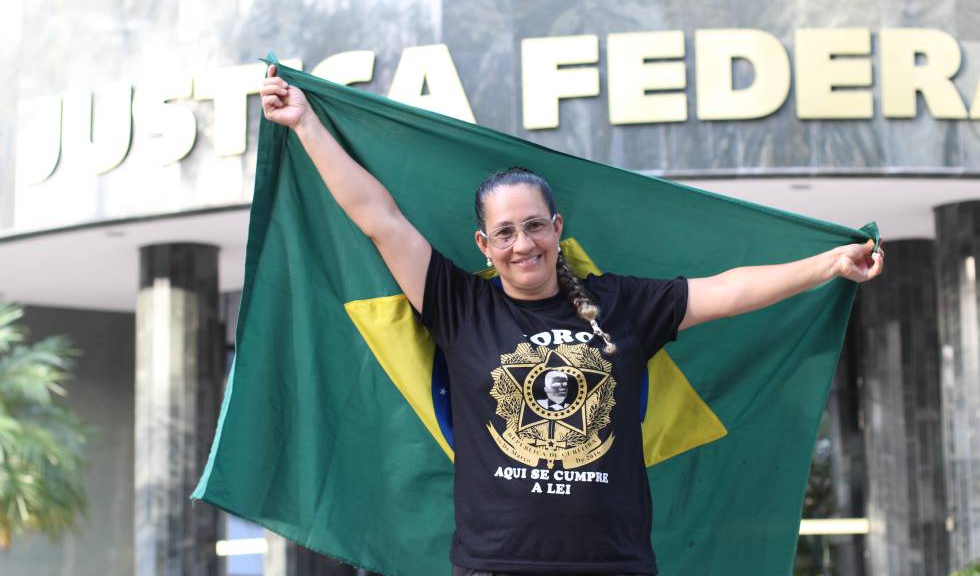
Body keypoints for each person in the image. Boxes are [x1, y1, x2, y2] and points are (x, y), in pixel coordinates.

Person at [260, 65, 884, 576]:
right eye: (505, 232)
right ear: (484, 244)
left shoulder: (622, 305)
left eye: (534, 225)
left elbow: (727, 291)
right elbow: (379, 218)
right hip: (493, 566)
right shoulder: (459, 306)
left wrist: (829, 264)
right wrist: (305, 123)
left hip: (612, 564)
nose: (522, 244)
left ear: (557, 229)